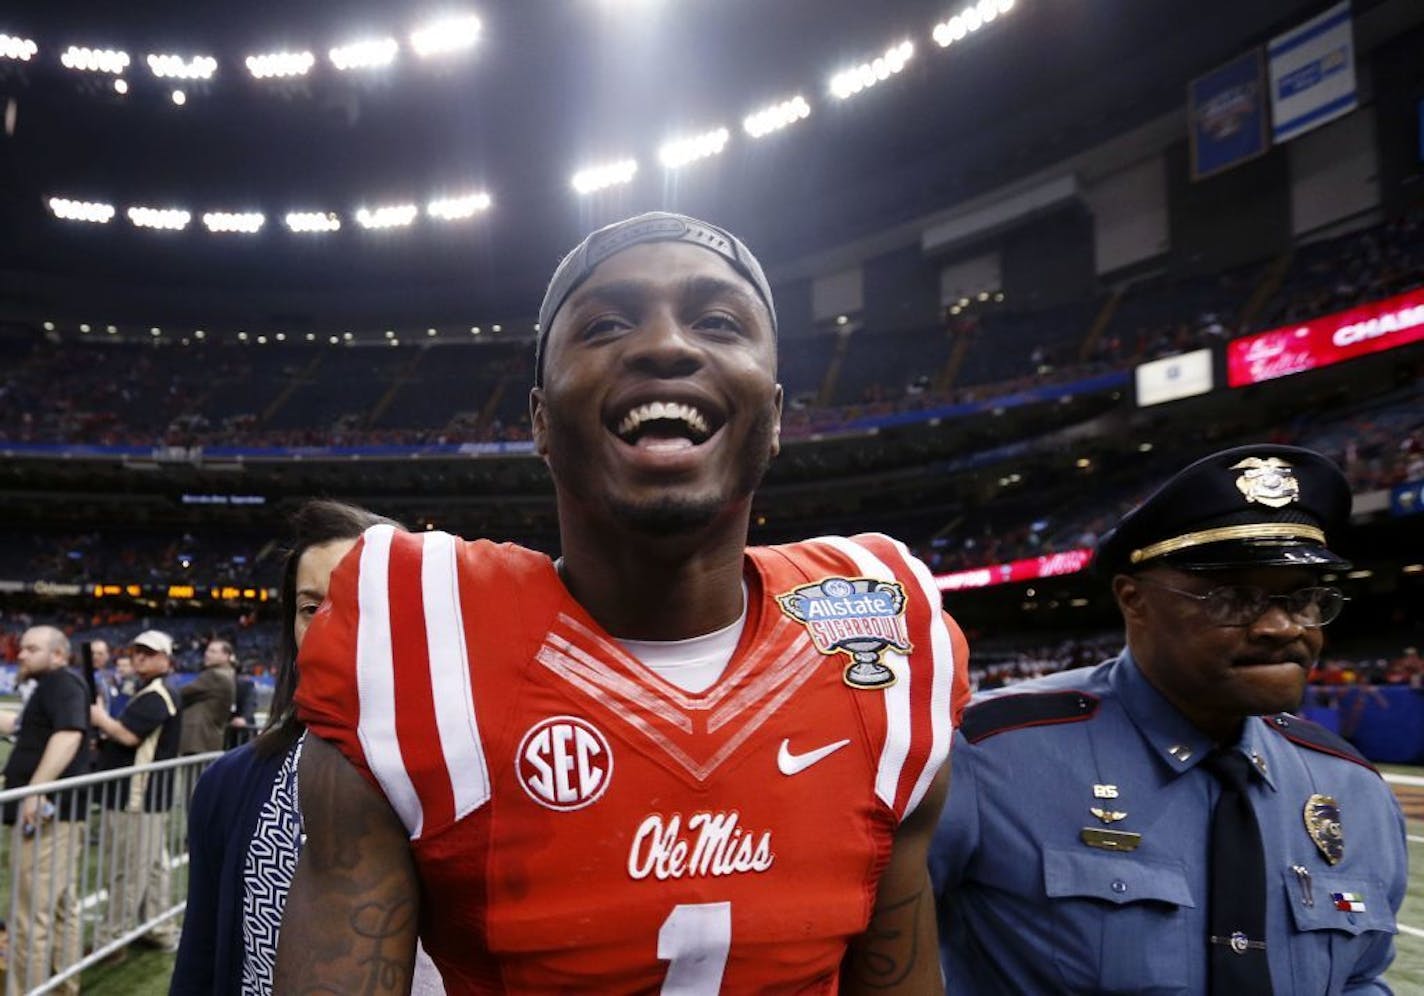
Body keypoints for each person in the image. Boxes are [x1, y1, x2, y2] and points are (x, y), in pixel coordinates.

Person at [276, 212, 970, 994]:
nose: (666, 346)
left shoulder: (879, 627)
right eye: (606, 324)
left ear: (774, 416)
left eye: (717, 321)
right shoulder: (416, 630)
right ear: (540, 419)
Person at [930, 444, 1409, 993]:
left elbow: (1361, 977)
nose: (1281, 627)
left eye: (1304, 599)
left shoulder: (1353, 787)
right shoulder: (986, 754)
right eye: (1235, 598)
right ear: (1133, 600)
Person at [172, 501, 445, 996]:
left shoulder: (478, 776)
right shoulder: (231, 785)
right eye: (310, 606)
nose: (327, 625)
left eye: (359, 600)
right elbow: (199, 965)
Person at [0, 626, 91, 996]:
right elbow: (25, 729)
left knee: (29, 914)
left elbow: (69, 733)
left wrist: (36, 791)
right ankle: (62, 983)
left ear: (57, 655)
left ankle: (26, 990)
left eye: (31, 649)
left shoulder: (61, 684)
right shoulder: (55, 685)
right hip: (60, 814)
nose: (21, 654)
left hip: (48, 817)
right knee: (59, 907)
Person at [89, 629, 183, 958]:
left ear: (165, 659)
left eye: (148, 652)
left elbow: (128, 736)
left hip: (137, 797)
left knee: (127, 870)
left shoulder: (157, 694)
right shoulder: (153, 690)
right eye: (136, 651)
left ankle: (112, 941)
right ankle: (157, 927)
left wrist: (99, 718)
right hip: (147, 797)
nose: (139, 657)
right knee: (153, 866)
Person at [178, 639, 236, 755]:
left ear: (226, 656)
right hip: (209, 739)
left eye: (213, 651)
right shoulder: (228, 674)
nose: (207, 654)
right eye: (207, 651)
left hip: (198, 740)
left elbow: (182, 693)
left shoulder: (214, 675)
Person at [224, 659, 258, 749]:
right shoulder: (218, 685)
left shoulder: (245, 684)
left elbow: (250, 702)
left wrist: (244, 718)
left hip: (242, 733)